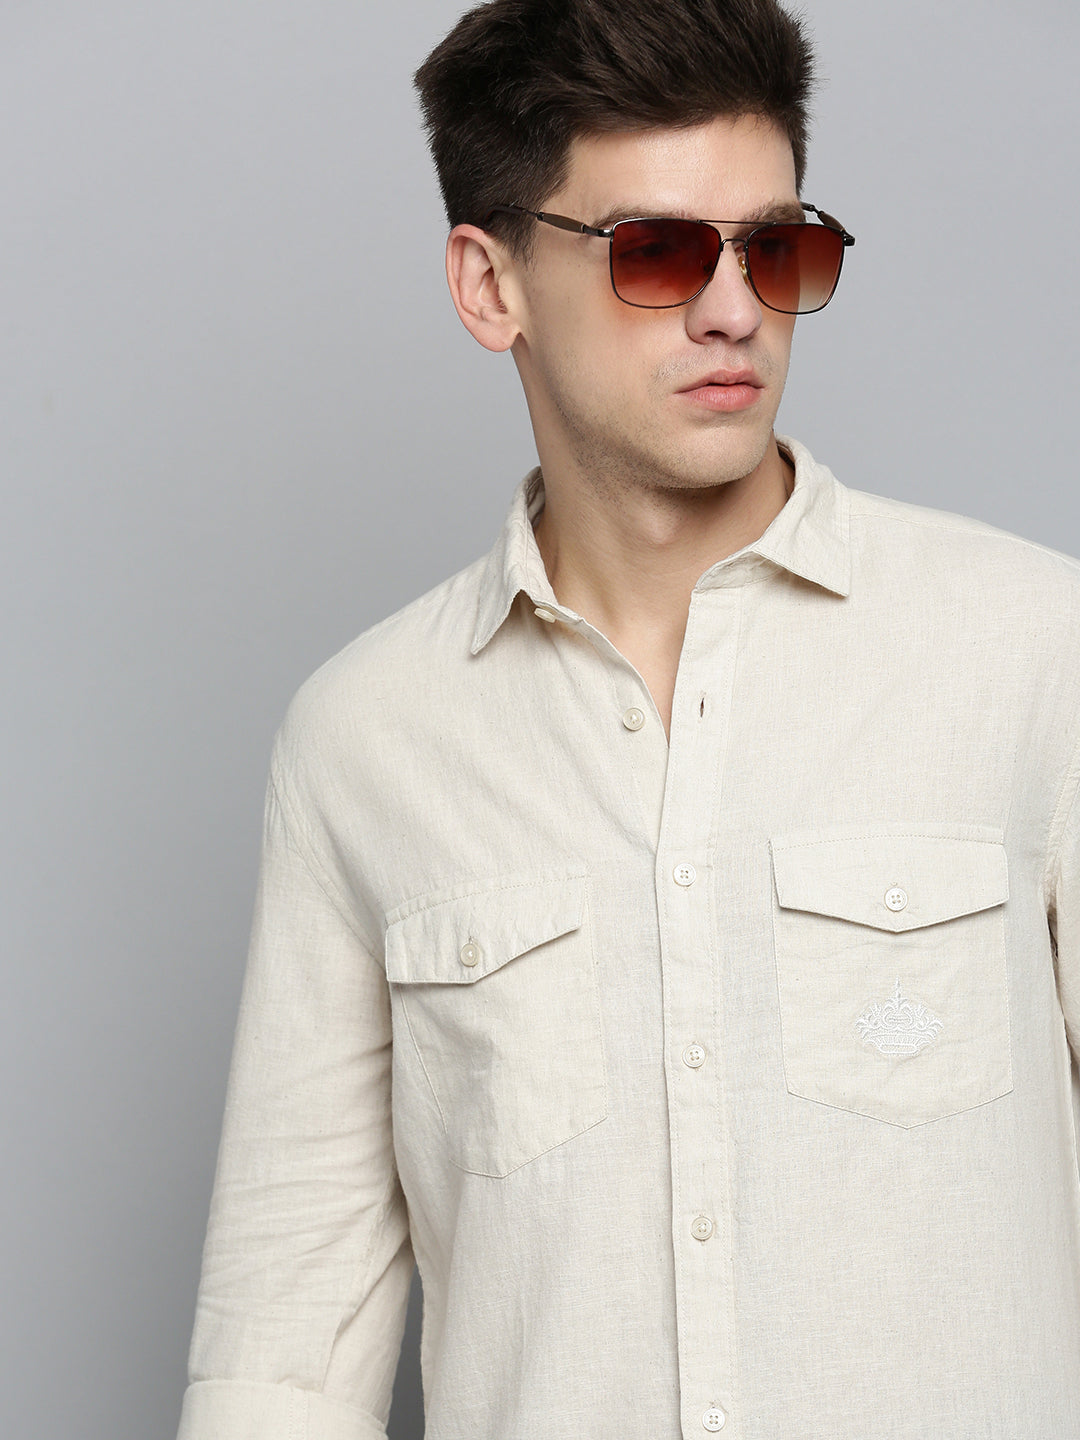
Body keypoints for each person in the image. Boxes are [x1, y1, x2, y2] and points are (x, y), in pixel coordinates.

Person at [175, 0, 1080, 1436]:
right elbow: (287, 1349)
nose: (734, 310)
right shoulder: (363, 742)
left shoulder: (1033, 653)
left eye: (775, 250)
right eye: (656, 252)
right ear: (491, 286)